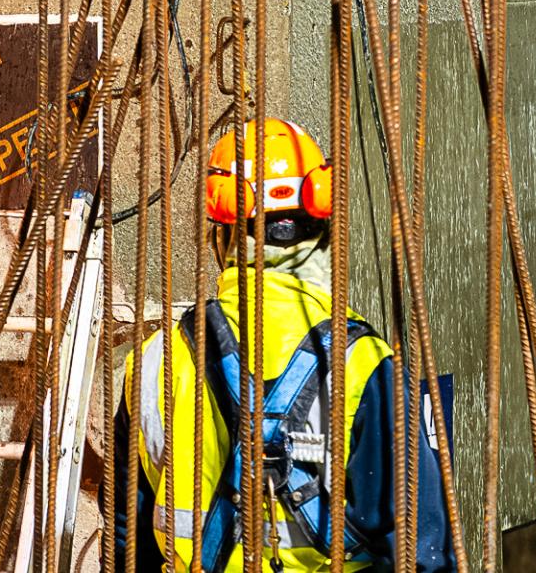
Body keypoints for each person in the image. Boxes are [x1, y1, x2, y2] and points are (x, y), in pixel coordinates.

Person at [119, 118, 454, 572]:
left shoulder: (155, 361)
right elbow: (421, 553)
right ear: (325, 231)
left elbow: (128, 538)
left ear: (221, 236)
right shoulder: (365, 366)